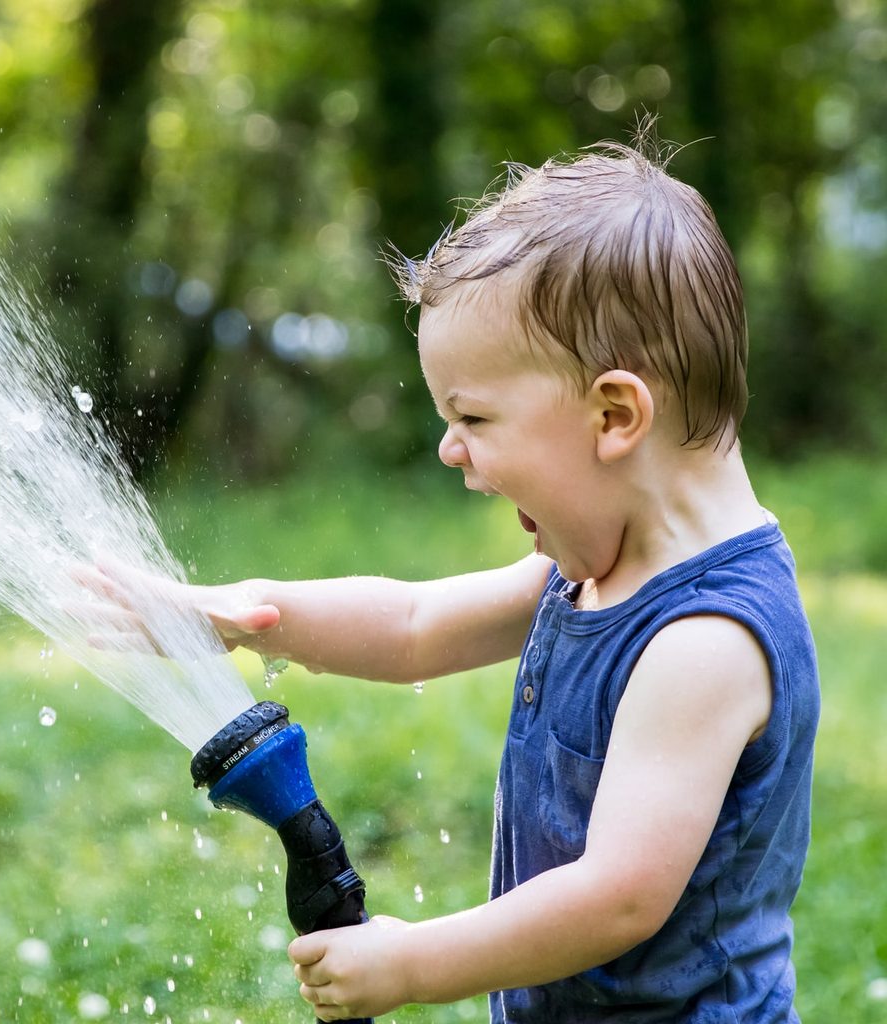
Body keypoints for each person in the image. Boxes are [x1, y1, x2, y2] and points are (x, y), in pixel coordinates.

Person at [79, 136, 820, 1023]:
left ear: (615, 414)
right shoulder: (588, 569)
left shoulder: (705, 641)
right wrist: (249, 616)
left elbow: (620, 895)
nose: (449, 448)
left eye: (472, 415)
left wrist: (413, 964)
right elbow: (415, 625)